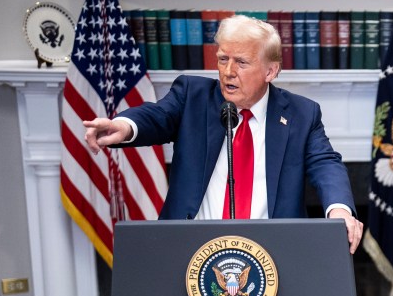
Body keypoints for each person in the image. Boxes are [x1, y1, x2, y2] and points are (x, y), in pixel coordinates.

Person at [83, 14, 362, 252]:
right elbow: (158, 116)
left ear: (271, 71)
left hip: (273, 252)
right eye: (222, 59)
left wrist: (339, 211)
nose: (228, 72)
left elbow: (325, 163)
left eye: (241, 62)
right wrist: (124, 125)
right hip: (191, 248)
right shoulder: (193, 96)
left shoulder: (302, 113)